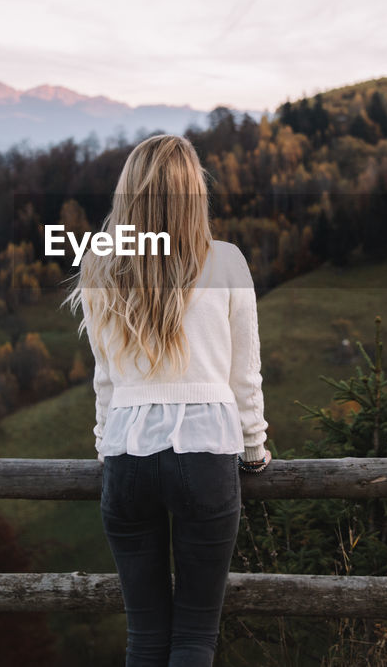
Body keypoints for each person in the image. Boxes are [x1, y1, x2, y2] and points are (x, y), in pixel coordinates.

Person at [66, 133, 270, 667]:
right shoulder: (226, 263)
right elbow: (243, 375)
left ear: (128, 196)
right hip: (205, 452)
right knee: (196, 635)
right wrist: (253, 449)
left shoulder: (101, 267)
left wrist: (104, 447)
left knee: (146, 638)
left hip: (128, 457)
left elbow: (105, 381)